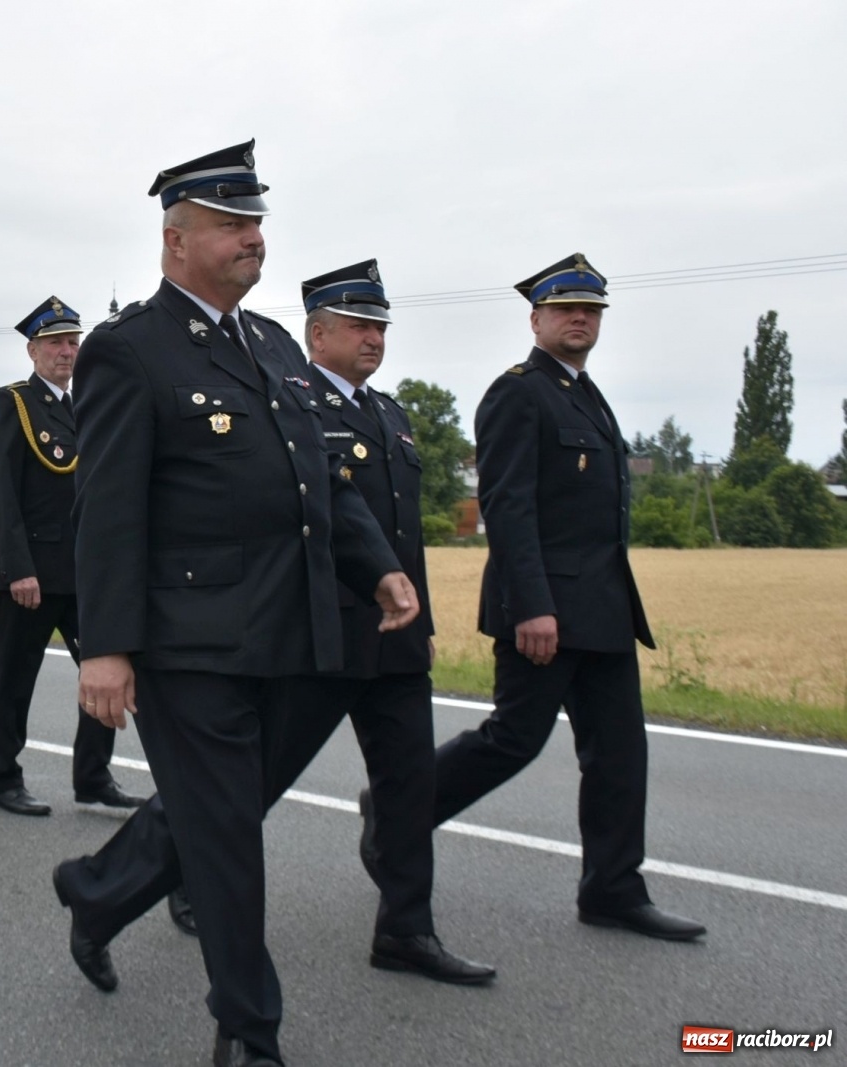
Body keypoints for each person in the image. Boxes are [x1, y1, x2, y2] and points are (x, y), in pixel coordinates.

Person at [60, 142, 418, 1067]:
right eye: (231, 224)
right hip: (191, 642)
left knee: (219, 816)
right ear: (176, 240)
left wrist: (375, 565)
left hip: (294, 631)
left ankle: (98, 892)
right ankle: (249, 1031)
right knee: (228, 843)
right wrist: (105, 647)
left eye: (257, 224)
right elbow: (106, 508)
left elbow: (320, 482)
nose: (253, 239)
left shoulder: (269, 345)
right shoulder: (128, 350)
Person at [427, 254, 706, 942]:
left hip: (605, 609)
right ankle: (398, 808)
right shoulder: (518, 392)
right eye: (567, 309)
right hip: (546, 610)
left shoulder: (588, 394)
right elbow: (508, 504)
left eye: (592, 311)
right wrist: (531, 604)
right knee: (513, 739)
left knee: (619, 753)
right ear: (537, 318)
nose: (581, 319)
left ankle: (612, 888)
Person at [297, 261, 493, 984]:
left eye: (380, 326)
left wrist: (423, 621)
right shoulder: (295, 407)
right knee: (243, 781)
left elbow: (405, 537)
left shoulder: (391, 414)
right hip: (322, 632)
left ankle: (406, 929)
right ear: (317, 333)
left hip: (396, 639)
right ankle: (184, 875)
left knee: (410, 787)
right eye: (358, 325)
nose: (373, 338)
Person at [0, 296, 141, 817]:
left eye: (73, 342)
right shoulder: (15, 403)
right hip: (32, 575)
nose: (66, 352)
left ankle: (92, 777)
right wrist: (17, 567)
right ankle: (3, 778)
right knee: (15, 680)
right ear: (33, 350)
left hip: (82, 575)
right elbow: (3, 491)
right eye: (55, 343)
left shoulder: (85, 406)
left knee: (104, 673)